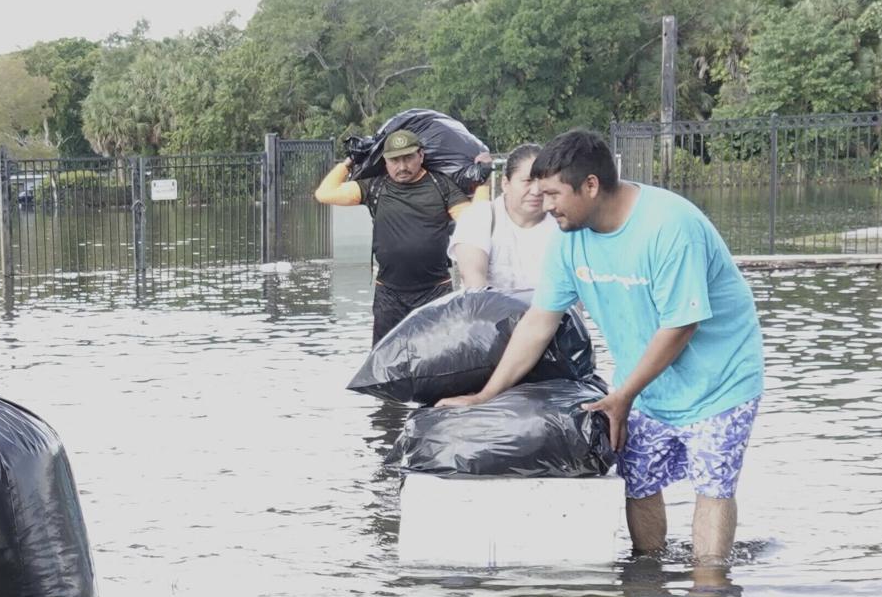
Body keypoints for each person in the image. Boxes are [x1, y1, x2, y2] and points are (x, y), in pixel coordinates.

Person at [439, 129, 764, 571]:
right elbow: (539, 322)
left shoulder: (669, 227)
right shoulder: (568, 238)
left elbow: (680, 325)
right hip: (644, 383)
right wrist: (484, 396)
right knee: (639, 482)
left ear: (590, 186)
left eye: (553, 193)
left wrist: (624, 395)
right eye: (537, 191)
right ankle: (648, 588)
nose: (543, 203)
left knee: (713, 488)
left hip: (720, 380)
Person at [316, 127, 477, 341]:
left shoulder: (442, 186)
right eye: (395, 160)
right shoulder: (375, 187)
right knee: (386, 364)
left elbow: (475, 223)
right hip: (389, 295)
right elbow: (324, 194)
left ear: (421, 155)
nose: (402, 166)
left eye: (408, 158)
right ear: (385, 161)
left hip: (435, 292)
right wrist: (349, 162)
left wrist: (480, 182)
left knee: (439, 361)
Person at [449, 140, 558, 296]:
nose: (536, 191)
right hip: (491, 314)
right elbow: (474, 281)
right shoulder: (479, 217)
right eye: (527, 181)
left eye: (542, 182)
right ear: (506, 183)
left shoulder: (563, 223)